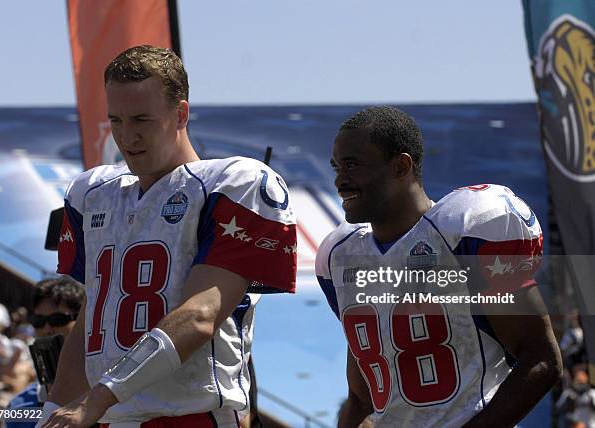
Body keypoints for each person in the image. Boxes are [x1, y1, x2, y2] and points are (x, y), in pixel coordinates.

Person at [40, 45, 297, 428]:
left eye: (142, 119)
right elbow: (91, 318)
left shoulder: (231, 184)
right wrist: (49, 412)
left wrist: (97, 398)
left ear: (180, 113)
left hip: (189, 415)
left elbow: (200, 316)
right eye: (117, 120)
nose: (128, 135)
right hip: (111, 417)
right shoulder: (92, 194)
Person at [316, 106, 562, 427]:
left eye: (352, 164)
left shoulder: (465, 229)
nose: (340, 179)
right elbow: (363, 396)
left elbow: (541, 359)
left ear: (401, 165)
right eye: (336, 166)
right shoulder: (341, 254)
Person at [6, 277, 84, 428]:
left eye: (58, 319)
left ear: (82, 320)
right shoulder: (19, 408)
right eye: (39, 321)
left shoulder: (107, 398)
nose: (47, 329)